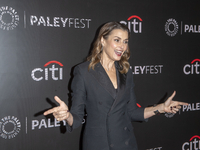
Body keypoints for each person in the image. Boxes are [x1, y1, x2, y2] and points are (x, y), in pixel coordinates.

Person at [44, 22, 188, 150]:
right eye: (117, 40)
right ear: (103, 40)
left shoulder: (125, 71)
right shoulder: (84, 71)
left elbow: (132, 112)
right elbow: (76, 116)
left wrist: (161, 108)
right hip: (99, 144)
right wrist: (66, 115)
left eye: (125, 41)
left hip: (126, 142)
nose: (122, 47)